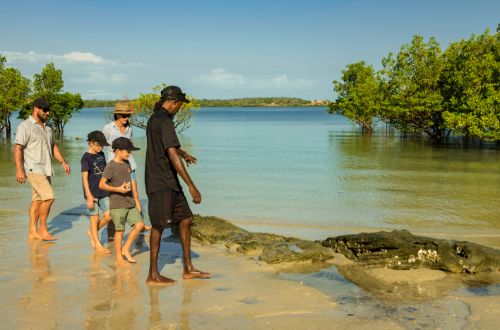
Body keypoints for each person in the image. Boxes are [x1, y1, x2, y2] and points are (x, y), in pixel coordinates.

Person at [145, 85, 210, 285]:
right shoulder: (163, 120)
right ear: (174, 102)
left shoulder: (157, 118)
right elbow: (171, 153)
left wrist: (185, 154)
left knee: (186, 219)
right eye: (180, 105)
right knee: (158, 226)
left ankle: (188, 268)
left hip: (168, 181)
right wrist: (191, 185)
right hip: (161, 181)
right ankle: (153, 274)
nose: (180, 109)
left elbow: (171, 147)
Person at [14, 97, 71, 241]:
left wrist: (63, 162)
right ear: (36, 109)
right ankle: (43, 229)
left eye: (49, 110)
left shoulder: (48, 128)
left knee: (38, 200)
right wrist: (19, 170)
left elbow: (53, 146)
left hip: (46, 169)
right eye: (45, 110)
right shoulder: (25, 126)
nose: (48, 113)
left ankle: (32, 232)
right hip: (33, 169)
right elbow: (18, 147)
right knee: (49, 197)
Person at [103, 101, 150, 240]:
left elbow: (131, 144)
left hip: (130, 165)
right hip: (115, 169)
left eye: (128, 116)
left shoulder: (130, 128)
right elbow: (101, 145)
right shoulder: (108, 128)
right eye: (124, 115)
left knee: (134, 194)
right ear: (117, 114)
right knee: (115, 199)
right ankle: (111, 232)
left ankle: (139, 224)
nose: (126, 118)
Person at [99, 137, 145, 266]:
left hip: (130, 202)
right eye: (128, 151)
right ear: (118, 151)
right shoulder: (110, 166)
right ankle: (119, 257)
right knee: (119, 231)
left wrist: (134, 196)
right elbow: (101, 185)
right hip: (117, 204)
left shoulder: (127, 163)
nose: (130, 154)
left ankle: (125, 249)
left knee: (140, 225)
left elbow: (130, 181)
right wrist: (118, 189)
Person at [81, 130, 113, 254]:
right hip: (91, 193)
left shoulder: (102, 155)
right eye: (99, 145)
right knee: (94, 218)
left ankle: (92, 232)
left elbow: (105, 172)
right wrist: (89, 196)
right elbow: (84, 178)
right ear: (91, 143)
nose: (102, 147)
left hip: (104, 190)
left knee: (109, 216)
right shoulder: (85, 158)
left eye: (103, 145)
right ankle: (98, 244)